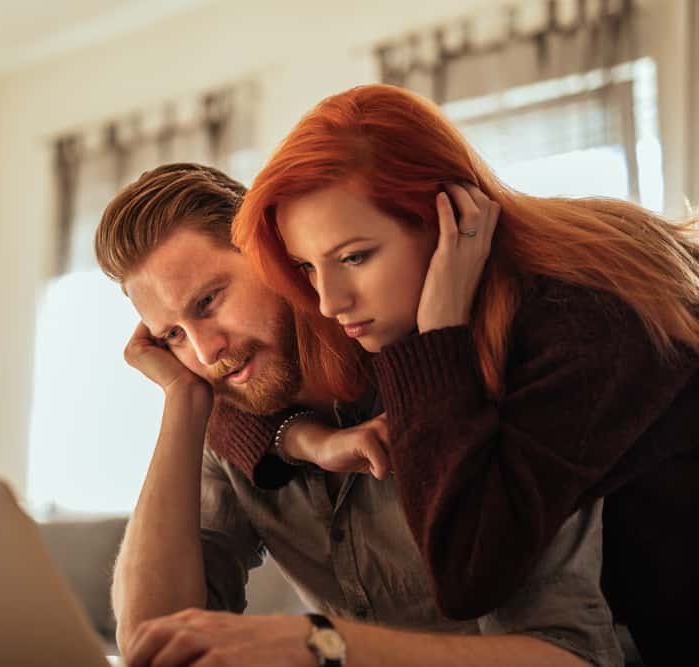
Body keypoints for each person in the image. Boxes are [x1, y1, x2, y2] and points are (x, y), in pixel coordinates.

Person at [227, 83, 699, 667]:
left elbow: (469, 574)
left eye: (354, 257)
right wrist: (308, 440)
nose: (329, 301)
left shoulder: (584, 317)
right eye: (306, 266)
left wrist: (438, 333)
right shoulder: (410, 312)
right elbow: (231, 399)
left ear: (449, 218)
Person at [95, 163, 623, 667]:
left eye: (209, 301)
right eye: (173, 336)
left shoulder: (458, 374)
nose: (207, 352)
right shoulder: (233, 427)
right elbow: (153, 641)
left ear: (269, 254)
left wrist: (320, 647)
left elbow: (575, 654)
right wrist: (182, 401)